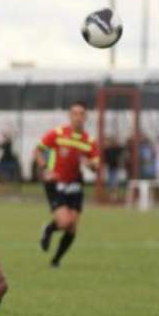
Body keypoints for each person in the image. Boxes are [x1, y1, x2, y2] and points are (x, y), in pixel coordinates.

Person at [34, 101, 99, 268]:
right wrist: (45, 168)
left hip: (75, 185)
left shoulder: (89, 141)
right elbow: (38, 150)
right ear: (70, 116)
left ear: (86, 117)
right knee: (64, 222)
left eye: (81, 114)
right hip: (55, 183)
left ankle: (56, 261)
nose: (78, 117)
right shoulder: (58, 134)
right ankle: (49, 229)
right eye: (74, 114)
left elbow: (96, 166)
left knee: (72, 227)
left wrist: (90, 164)